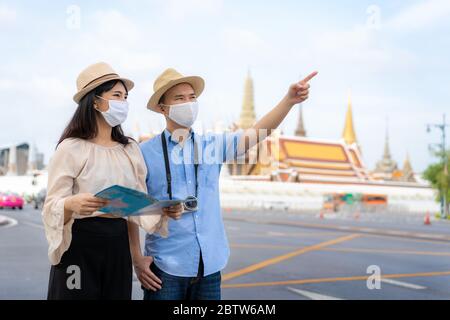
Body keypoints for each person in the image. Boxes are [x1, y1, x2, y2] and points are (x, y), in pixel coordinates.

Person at [133, 68, 317, 300]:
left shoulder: (212, 146)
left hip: (209, 264)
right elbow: (131, 207)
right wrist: (137, 258)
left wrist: (289, 101)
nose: (188, 103)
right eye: (179, 99)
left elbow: (256, 133)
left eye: (192, 98)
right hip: (165, 266)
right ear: (162, 108)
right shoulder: (143, 153)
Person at [42, 62, 182, 300]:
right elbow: (51, 205)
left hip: (117, 245)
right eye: (116, 95)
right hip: (80, 244)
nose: (123, 102)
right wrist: (70, 204)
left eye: (125, 97)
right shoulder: (70, 148)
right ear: (95, 101)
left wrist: (162, 209)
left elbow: (134, 205)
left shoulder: (129, 149)